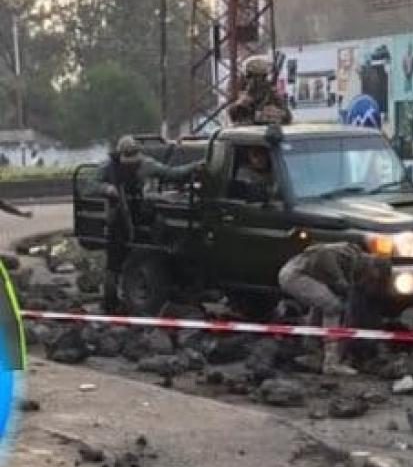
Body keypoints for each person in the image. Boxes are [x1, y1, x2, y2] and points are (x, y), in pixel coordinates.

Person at [91, 135, 204, 313]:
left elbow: (172, 173)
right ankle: (109, 301)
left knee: (162, 230)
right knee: (114, 261)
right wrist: (107, 189)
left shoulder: (146, 164)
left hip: (141, 211)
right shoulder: (108, 167)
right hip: (118, 216)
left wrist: (194, 167)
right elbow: (90, 184)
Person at [278, 242, 391, 376]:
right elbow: (322, 252)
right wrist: (339, 279)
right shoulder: (350, 254)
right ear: (374, 268)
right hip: (296, 274)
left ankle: (314, 352)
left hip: (295, 273)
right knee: (333, 306)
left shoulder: (355, 267)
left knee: (321, 305)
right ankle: (331, 362)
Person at [228, 55, 293, 126]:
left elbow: (287, 117)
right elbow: (234, 115)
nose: (256, 82)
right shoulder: (249, 95)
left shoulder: (270, 95)